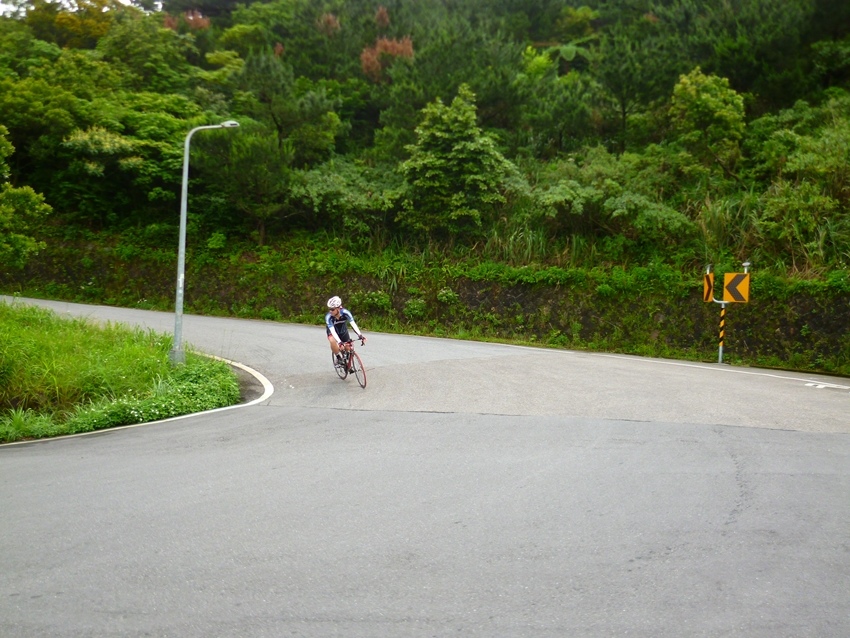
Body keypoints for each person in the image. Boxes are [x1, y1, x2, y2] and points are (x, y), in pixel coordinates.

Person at [325, 296, 366, 365]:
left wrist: (360, 335)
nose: (330, 311)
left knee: (348, 347)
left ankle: (346, 360)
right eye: (329, 309)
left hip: (342, 329)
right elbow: (333, 331)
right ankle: (338, 357)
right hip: (332, 331)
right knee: (332, 341)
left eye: (332, 309)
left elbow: (353, 324)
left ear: (338, 308)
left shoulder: (346, 313)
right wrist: (339, 342)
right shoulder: (328, 317)